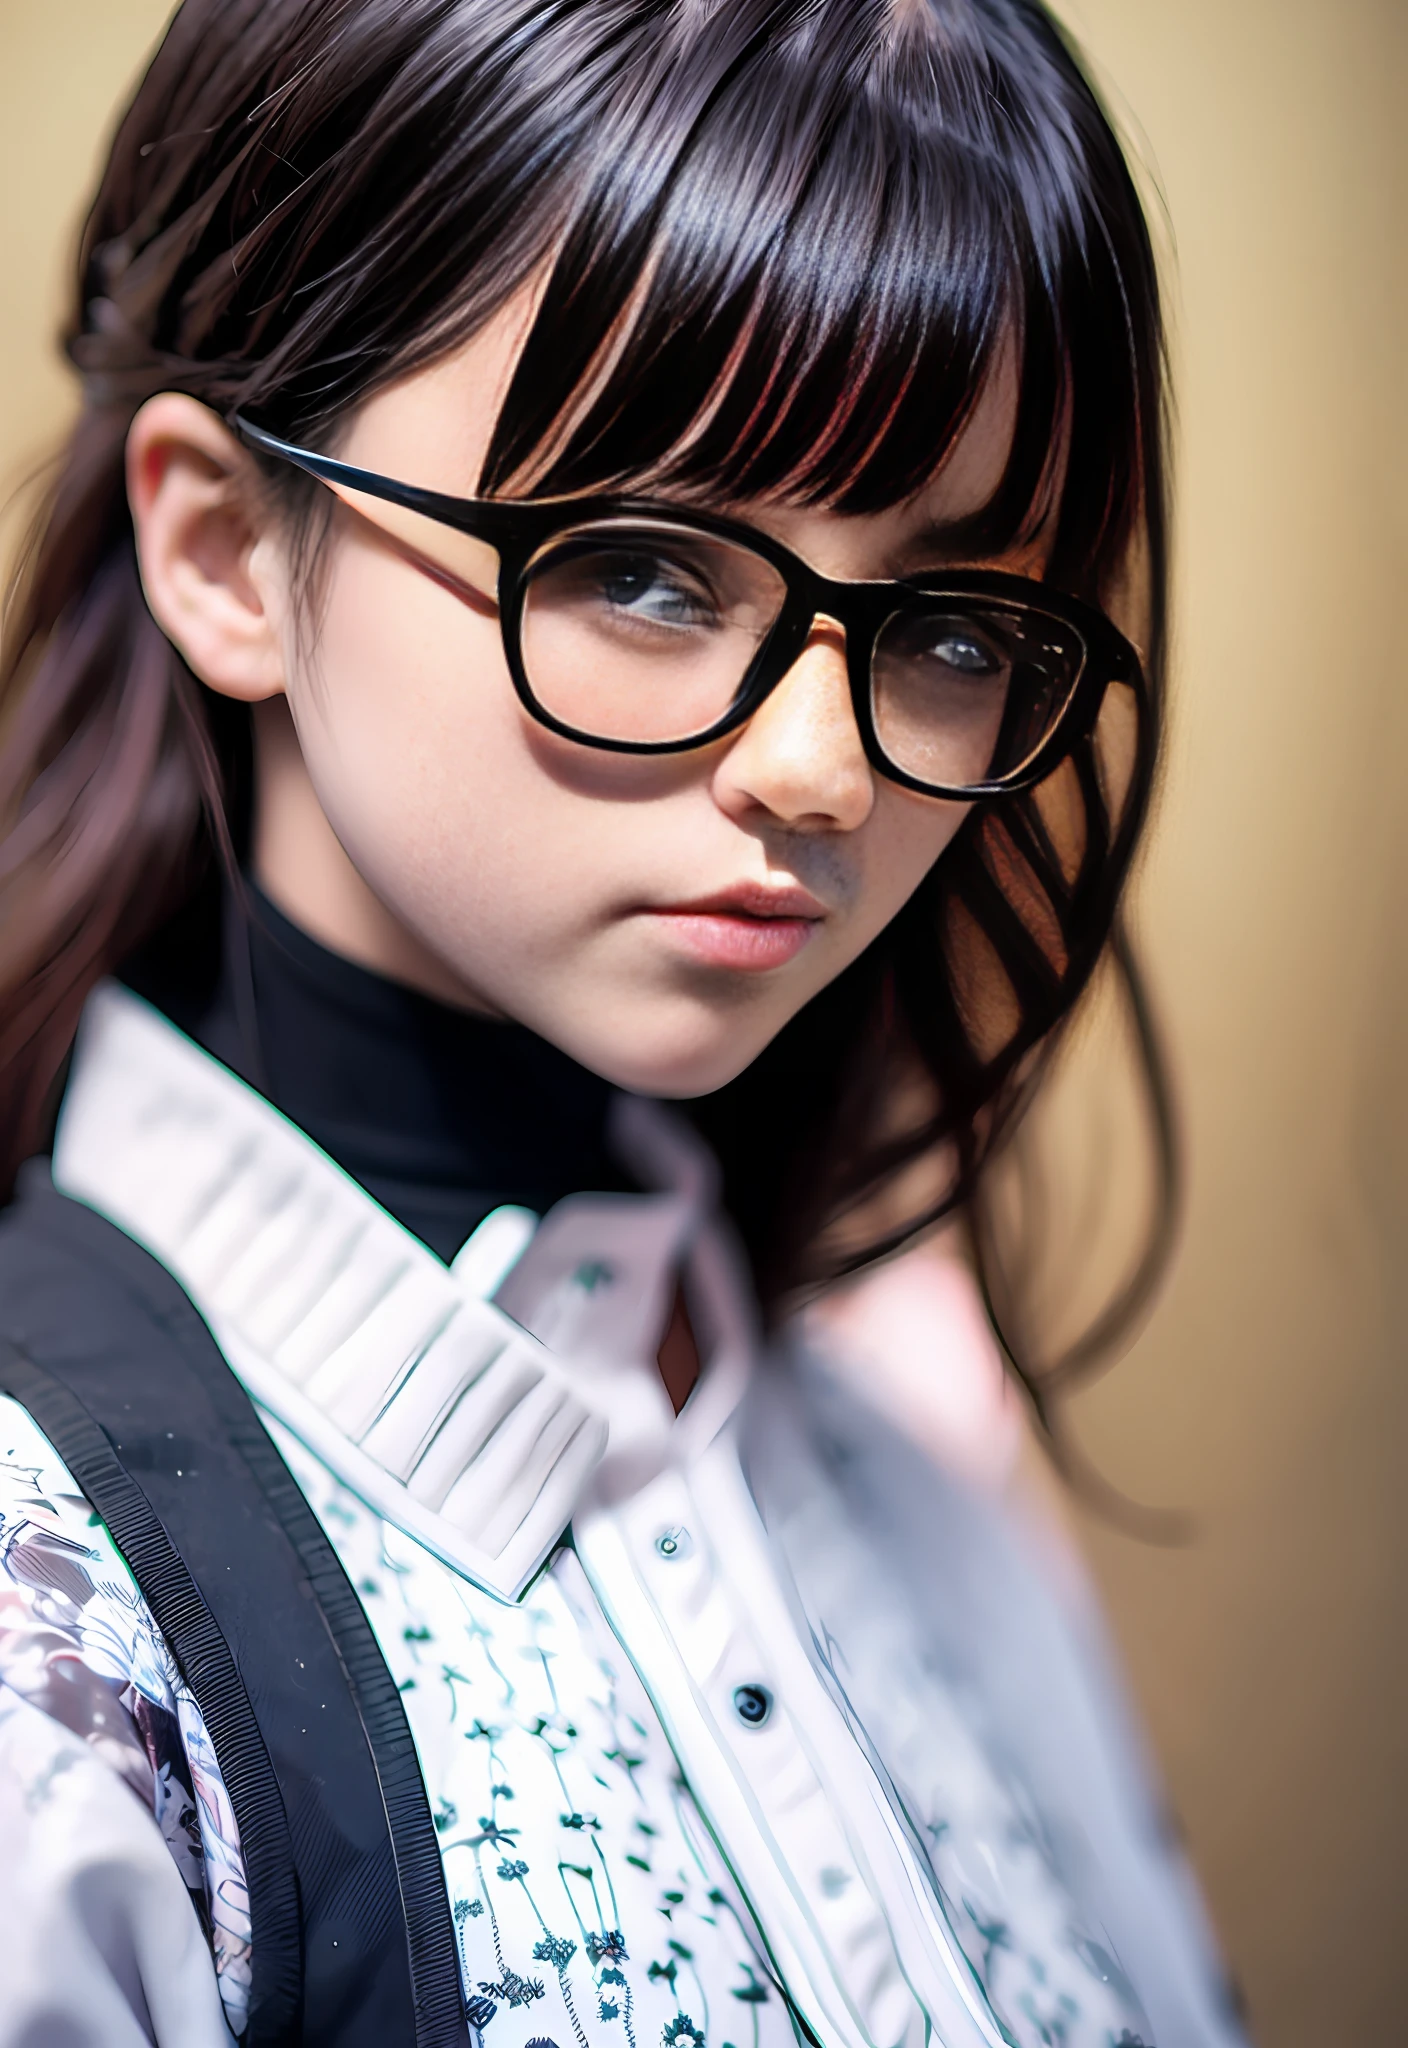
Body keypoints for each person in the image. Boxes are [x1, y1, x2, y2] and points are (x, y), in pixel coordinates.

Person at [0, 2, 1244, 2044]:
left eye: (942, 626)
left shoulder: (916, 1478)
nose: (825, 772)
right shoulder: (46, 1615)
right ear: (226, 544)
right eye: (651, 570)